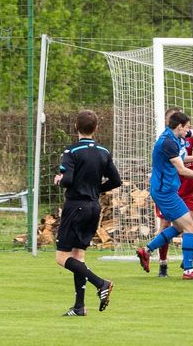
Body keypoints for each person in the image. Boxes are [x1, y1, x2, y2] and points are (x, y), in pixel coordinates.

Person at [54, 110, 122, 316]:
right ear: (96, 128)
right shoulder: (103, 151)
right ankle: (79, 307)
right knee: (78, 256)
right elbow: (116, 180)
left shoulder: (72, 151)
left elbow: (67, 180)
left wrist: (59, 180)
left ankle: (101, 283)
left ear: (76, 126)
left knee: (62, 257)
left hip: (76, 207)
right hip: (94, 207)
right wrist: (95, 189)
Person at [136, 112, 193, 280]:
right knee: (189, 228)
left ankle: (146, 251)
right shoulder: (168, 143)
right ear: (179, 127)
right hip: (165, 192)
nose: (189, 130)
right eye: (187, 127)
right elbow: (182, 170)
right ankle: (188, 271)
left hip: (166, 190)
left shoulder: (174, 135)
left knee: (179, 227)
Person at [156, 107, 193, 278]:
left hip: (186, 187)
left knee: (187, 225)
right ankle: (163, 263)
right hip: (168, 188)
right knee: (166, 225)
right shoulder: (167, 141)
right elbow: (181, 167)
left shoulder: (185, 135)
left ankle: (187, 263)